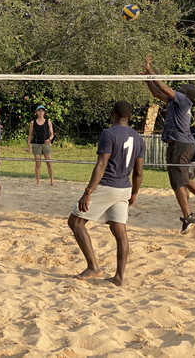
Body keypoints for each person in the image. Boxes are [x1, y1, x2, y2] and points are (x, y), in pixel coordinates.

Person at [68, 101, 144, 287]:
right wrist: (134, 193)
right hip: (124, 187)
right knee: (120, 232)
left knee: (75, 221)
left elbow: (102, 164)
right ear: (130, 116)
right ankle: (119, 277)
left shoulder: (108, 133)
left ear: (112, 113)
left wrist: (88, 191)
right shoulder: (138, 138)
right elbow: (139, 172)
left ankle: (93, 266)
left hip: (108, 185)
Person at [142, 55, 195, 234]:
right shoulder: (176, 103)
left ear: (186, 93)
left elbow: (163, 86)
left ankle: (188, 216)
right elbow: (157, 92)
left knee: (179, 182)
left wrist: (150, 70)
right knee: (182, 179)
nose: (180, 87)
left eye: (182, 87)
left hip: (181, 144)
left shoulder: (184, 100)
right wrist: (146, 78)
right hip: (177, 144)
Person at [26, 105, 55, 186]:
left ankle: (52, 182)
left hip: (46, 144)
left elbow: (52, 134)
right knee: (38, 163)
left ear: (44, 112)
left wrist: (49, 139)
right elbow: (30, 134)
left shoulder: (48, 122)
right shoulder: (33, 123)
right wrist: (28, 146)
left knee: (49, 163)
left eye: (42, 111)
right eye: (39, 110)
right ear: (36, 112)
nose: (41, 112)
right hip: (36, 144)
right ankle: (38, 182)